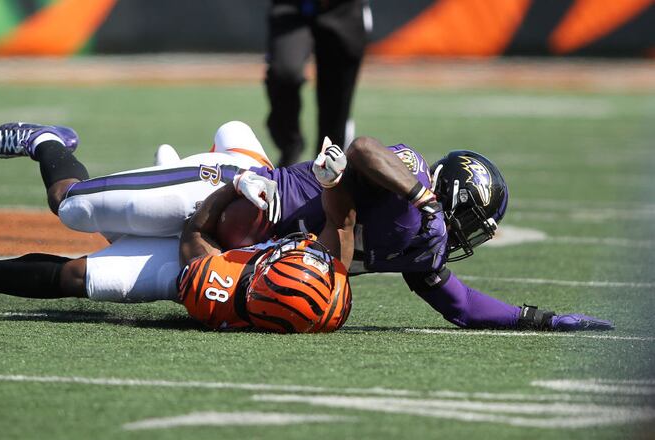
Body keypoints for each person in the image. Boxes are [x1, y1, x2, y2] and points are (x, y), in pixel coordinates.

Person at [0, 122, 350, 333]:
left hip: (213, 224)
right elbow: (344, 210)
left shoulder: (227, 292)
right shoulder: (342, 239)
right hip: (231, 189)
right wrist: (236, 181)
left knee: (78, 278)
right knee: (71, 208)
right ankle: (47, 141)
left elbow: (194, 235)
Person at [187, 136, 615, 331]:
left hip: (247, 254)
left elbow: (462, 306)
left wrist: (537, 319)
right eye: (469, 223)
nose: (465, 238)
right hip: (241, 196)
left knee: (164, 278)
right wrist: (422, 198)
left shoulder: (422, 245)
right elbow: (361, 150)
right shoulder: (409, 182)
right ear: (451, 196)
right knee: (133, 210)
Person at [265, 0, 370, 166]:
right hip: (292, 8)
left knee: (336, 100)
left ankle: (326, 168)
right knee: (284, 72)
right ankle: (291, 143)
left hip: (342, 9)